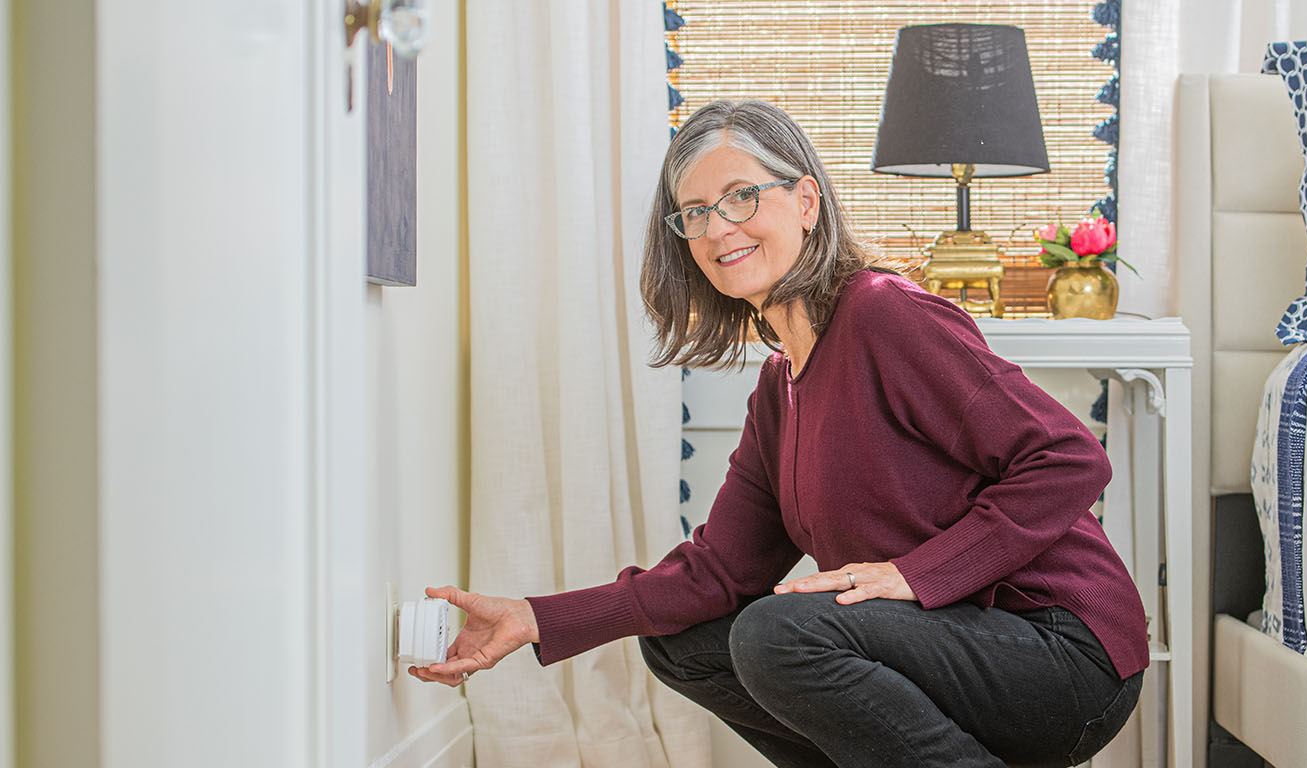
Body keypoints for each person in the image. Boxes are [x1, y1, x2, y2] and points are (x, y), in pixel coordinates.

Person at [410, 99, 1147, 768]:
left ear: (805, 201)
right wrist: (535, 618)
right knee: (684, 642)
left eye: (740, 196)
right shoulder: (780, 385)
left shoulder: (885, 314)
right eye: (694, 212)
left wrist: (912, 576)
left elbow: (1067, 457)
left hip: (1063, 652)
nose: (718, 227)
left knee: (775, 634)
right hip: (954, 643)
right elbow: (717, 573)